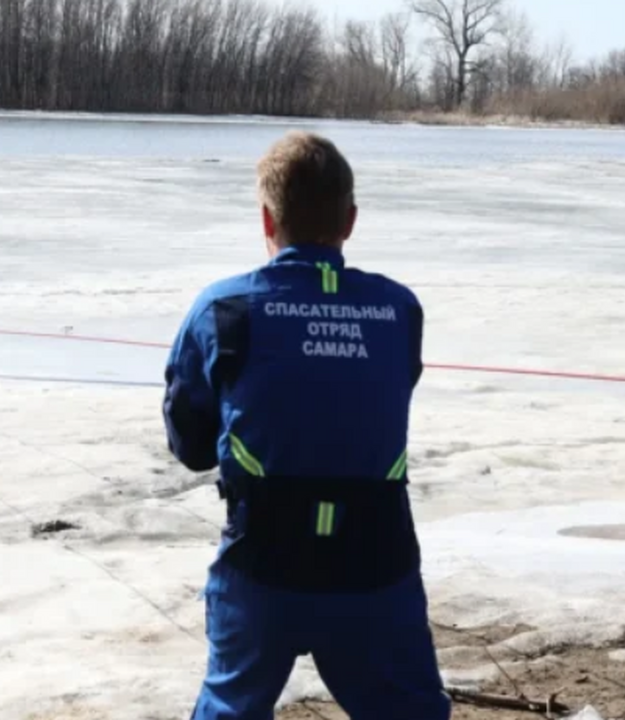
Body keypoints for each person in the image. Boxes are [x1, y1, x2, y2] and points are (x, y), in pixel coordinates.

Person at [162, 131, 449, 720]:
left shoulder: (224, 309)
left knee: (231, 707)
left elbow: (190, 445)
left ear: (267, 219)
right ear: (350, 219)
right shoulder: (399, 309)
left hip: (265, 561)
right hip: (376, 563)